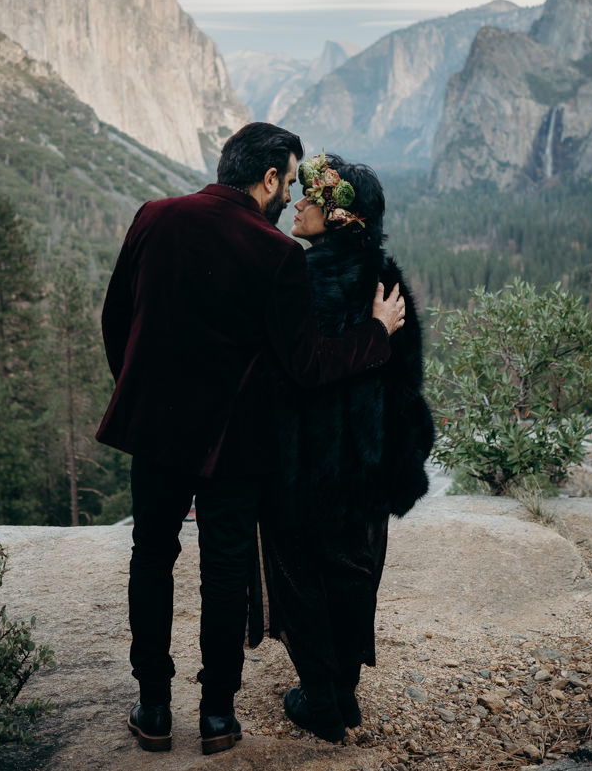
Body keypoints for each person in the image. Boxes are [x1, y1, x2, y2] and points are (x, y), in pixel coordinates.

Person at [95, 123, 407, 755]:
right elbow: (306, 364)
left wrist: (144, 392)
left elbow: (115, 318)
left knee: (151, 557)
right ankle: (216, 716)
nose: (291, 193)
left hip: (156, 431)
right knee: (225, 570)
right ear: (267, 178)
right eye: (290, 180)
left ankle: (153, 706)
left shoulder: (153, 217)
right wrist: (375, 332)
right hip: (234, 446)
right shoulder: (277, 254)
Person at [258, 152, 436, 743]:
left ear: (339, 216)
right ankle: (345, 694)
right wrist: (398, 461)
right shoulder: (388, 281)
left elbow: (284, 378)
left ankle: (321, 699)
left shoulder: (295, 279)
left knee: (298, 575)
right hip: (366, 470)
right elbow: (406, 386)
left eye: (310, 196)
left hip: (298, 467)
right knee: (357, 572)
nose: (297, 202)